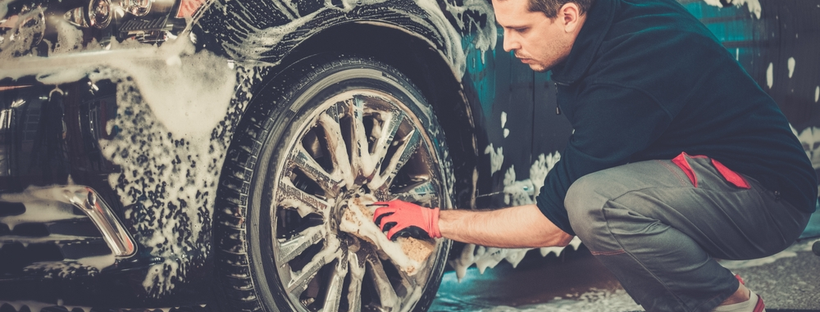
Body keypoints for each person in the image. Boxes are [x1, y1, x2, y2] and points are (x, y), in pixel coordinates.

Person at [372, 0, 817, 311]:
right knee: (591, 196)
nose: (507, 44)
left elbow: (551, 230)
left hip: (769, 200)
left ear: (568, 15)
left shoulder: (626, 78)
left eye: (520, 29)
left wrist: (434, 221)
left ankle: (724, 306)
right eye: (503, 26)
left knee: (593, 203)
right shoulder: (606, 19)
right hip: (731, 177)